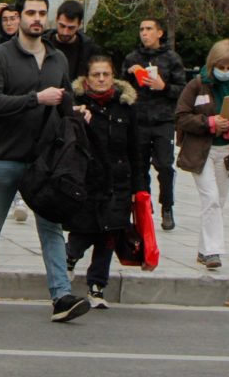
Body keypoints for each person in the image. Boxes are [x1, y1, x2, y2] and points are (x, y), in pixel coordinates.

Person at [0, 0, 89, 323]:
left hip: (44, 160)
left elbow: (63, 100)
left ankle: (61, 296)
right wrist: (36, 98)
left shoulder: (57, 58)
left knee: (51, 226)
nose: (36, 19)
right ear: (18, 17)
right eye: (30, 13)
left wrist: (77, 110)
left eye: (41, 13)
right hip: (4, 156)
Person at [68, 55, 146, 308]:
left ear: (113, 77)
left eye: (106, 74)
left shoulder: (125, 106)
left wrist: (140, 187)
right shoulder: (77, 103)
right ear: (87, 78)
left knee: (109, 234)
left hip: (119, 181)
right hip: (88, 179)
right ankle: (68, 260)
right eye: (96, 75)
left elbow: (135, 149)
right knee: (84, 230)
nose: (101, 79)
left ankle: (97, 286)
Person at [174, 39, 229, 270]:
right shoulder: (196, 85)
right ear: (212, 65)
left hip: (228, 152)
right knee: (210, 198)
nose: (225, 71)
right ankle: (213, 251)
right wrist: (208, 122)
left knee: (217, 202)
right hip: (201, 152)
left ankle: (204, 249)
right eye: (221, 67)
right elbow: (181, 116)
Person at [122, 15, 186, 231]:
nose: (144, 33)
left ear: (159, 33)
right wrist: (129, 75)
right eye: (141, 29)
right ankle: (143, 206)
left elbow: (182, 90)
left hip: (163, 120)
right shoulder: (132, 58)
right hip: (138, 120)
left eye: (149, 29)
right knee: (139, 167)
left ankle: (167, 206)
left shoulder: (171, 58)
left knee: (165, 165)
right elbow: (120, 89)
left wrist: (164, 87)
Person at [44, 0, 99, 81]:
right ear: (56, 20)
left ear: (79, 25)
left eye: (71, 28)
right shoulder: (42, 43)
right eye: (62, 26)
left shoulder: (90, 50)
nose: (65, 32)